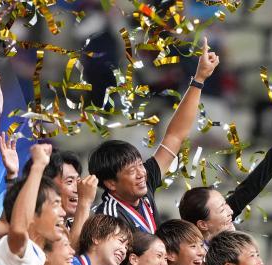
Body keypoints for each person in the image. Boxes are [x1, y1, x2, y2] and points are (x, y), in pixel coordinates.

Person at [91, 38, 220, 234]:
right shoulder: (107, 220)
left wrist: (199, 79)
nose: (141, 173)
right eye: (131, 170)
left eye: (139, 165)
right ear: (111, 183)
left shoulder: (143, 183)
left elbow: (175, 136)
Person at [177, 121, 272, 239]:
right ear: (203, 225)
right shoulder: (187, 250)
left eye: (225, 204)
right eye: (222, 209)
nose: (231, 211)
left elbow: (252, 185)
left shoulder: (219, 222)